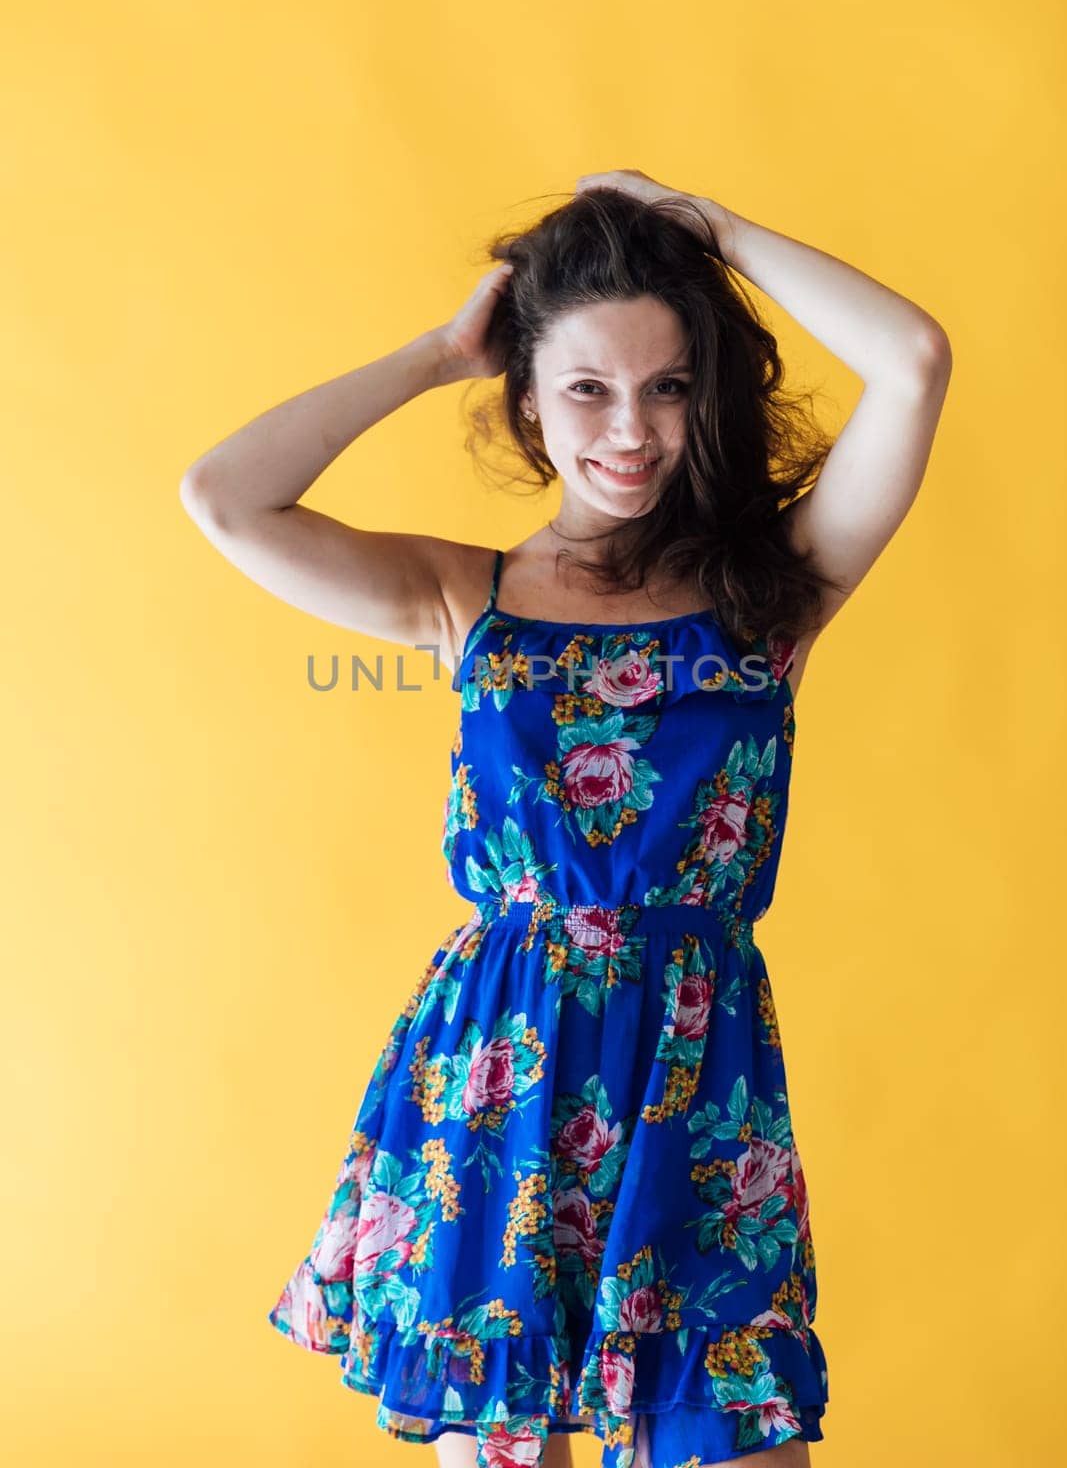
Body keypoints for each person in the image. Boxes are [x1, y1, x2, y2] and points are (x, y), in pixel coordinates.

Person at [180, 171, 952, 1468]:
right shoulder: (457, 594)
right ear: (528, 398)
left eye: (667, 385)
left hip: (698, 1078)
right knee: (509, 1447)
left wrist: (710, 229)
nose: (633, 429)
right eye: (588, 387)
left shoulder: (772, 591)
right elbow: (224, 496)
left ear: (706, 397)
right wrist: (436, 354)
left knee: (736, 1432)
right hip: (502, 1072)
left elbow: (915, 361)